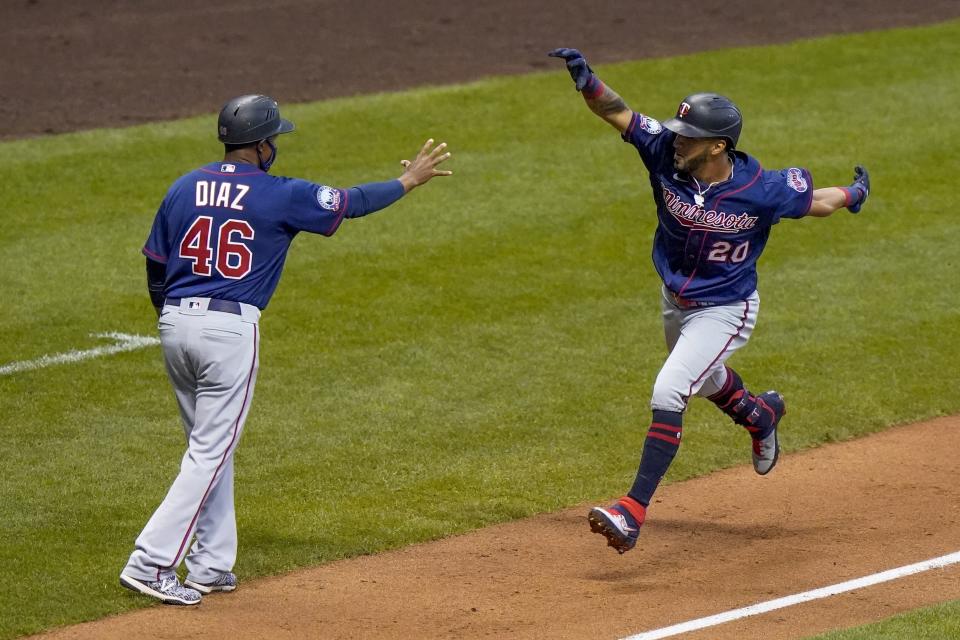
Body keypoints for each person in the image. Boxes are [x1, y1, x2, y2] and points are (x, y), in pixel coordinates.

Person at [120, 94, 452, 604]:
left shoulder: (184, 186)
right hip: (228, 334)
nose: (276, 146)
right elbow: (351, 202)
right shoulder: (278, 193)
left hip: (174, 325)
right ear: (257, 145)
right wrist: (410, 180)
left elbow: (154, 262)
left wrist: (169, 317)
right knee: (210, 452)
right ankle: (150, 561)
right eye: (273, 139)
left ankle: (209, 564)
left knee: (208, 449)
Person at [548, 48, 870, 554]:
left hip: (726, 308)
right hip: (674, 298)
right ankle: (760, 416)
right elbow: (618, 112)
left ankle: (632, 512)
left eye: (689, 137)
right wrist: (587, 81)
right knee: (703, 379)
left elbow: (816, 202)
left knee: (672, 387)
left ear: (718, 145)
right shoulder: (664, 153)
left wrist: (854, 194)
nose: (677, 140)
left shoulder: (760, 190)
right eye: (678, 131)